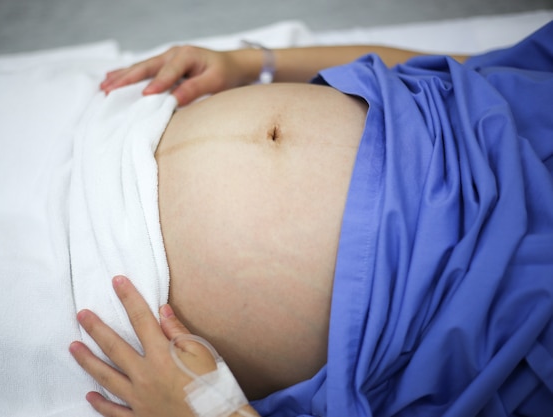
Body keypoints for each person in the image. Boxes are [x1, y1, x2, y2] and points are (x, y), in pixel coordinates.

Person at [70, 22, 553, 417]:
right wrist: (254, 62)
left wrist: (213, 412)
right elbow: (464, 66)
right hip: (126, 127)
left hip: (117, 296)